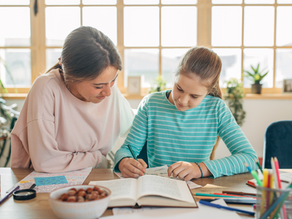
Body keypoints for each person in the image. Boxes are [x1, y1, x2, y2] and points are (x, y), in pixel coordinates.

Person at [114, 46, 257, 181]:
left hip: (198, 190)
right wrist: (124, 162)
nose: (182, 100)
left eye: (194, 96)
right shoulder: (151, 104)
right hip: (156, 187)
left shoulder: (216, 109)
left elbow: (250, 159)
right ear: (174, 77)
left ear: (208, 91)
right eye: (179, 88)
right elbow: (127, 149)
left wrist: (199, 169)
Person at [11, 26, 134, 172]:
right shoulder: (46, 88)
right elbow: (45, 162)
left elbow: (135, 134)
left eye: (113, 80)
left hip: (94, 178)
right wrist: (98, 158)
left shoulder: (111, 92)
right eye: (98, 85)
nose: (108, 92)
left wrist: (124, 159)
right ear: (71, 76)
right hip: (42, 183)